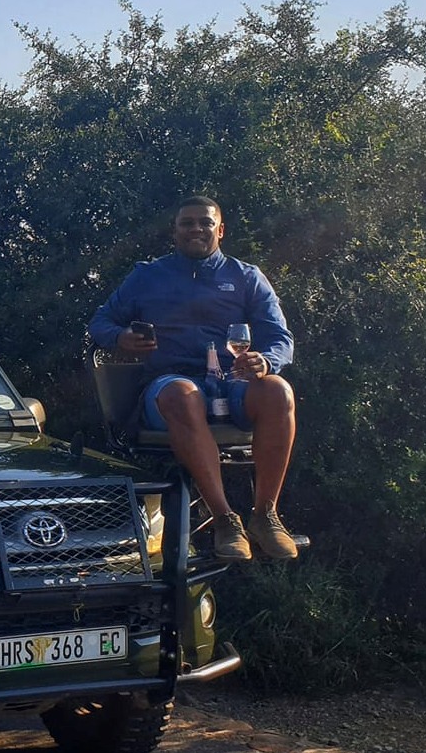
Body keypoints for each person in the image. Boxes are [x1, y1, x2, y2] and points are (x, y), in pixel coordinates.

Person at [88, 196, 298, 562]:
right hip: (169, 384)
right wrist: (121, 337)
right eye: (187, 223)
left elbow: (280, 338)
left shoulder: (246, 277)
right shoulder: (147, 276)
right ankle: (224, 520)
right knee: (182, 394)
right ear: (175, 232)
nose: (196, 229)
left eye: (205, 222)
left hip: (232, 383)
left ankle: (265, 515)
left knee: (278, 391)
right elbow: (100, 322)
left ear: (221, 230)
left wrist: (265, 361)